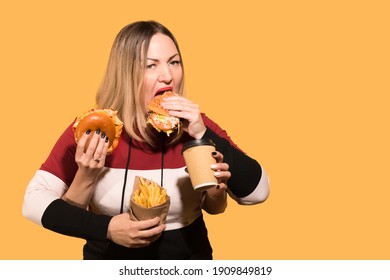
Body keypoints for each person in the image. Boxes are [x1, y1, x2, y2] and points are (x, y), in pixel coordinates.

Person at [22, 20, 270, 260]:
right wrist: (106, 228)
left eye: (174, 62)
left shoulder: (198, 126)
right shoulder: (95, 128)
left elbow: (257, 193)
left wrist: (202, 133)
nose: (167, 76)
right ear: (125, 73)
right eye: (151, 66)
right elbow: (33, 202)